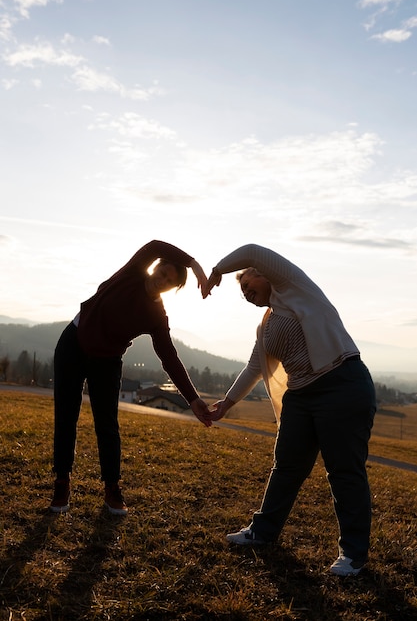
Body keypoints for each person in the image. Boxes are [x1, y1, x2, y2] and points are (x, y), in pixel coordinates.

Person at [204, 244, 376, 577]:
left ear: (264, 275)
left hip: (341, 384)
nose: (245, 293)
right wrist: (226, 403)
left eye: (247, 285)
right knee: (286, 468)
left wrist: (217, 271)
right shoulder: (266, 324)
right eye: (242, 293)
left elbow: (253, 250)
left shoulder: (295, 289)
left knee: (343, 472)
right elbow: (255, 366)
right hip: (301, 396)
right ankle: (263, 531)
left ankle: (353, 554)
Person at [50, 240, 212, 516]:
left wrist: (193, 398)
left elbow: (169, 358)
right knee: (66, 416)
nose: (161, 280)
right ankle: (62, 482)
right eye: (161, 272)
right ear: (155, 268)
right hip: (73, 344)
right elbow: (155, 245)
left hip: (107, 361)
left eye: (169, 281)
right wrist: (194, 265)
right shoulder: (132, 272)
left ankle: (112, 488)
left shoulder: (157, 316)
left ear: (171, 289)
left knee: (107, 425)